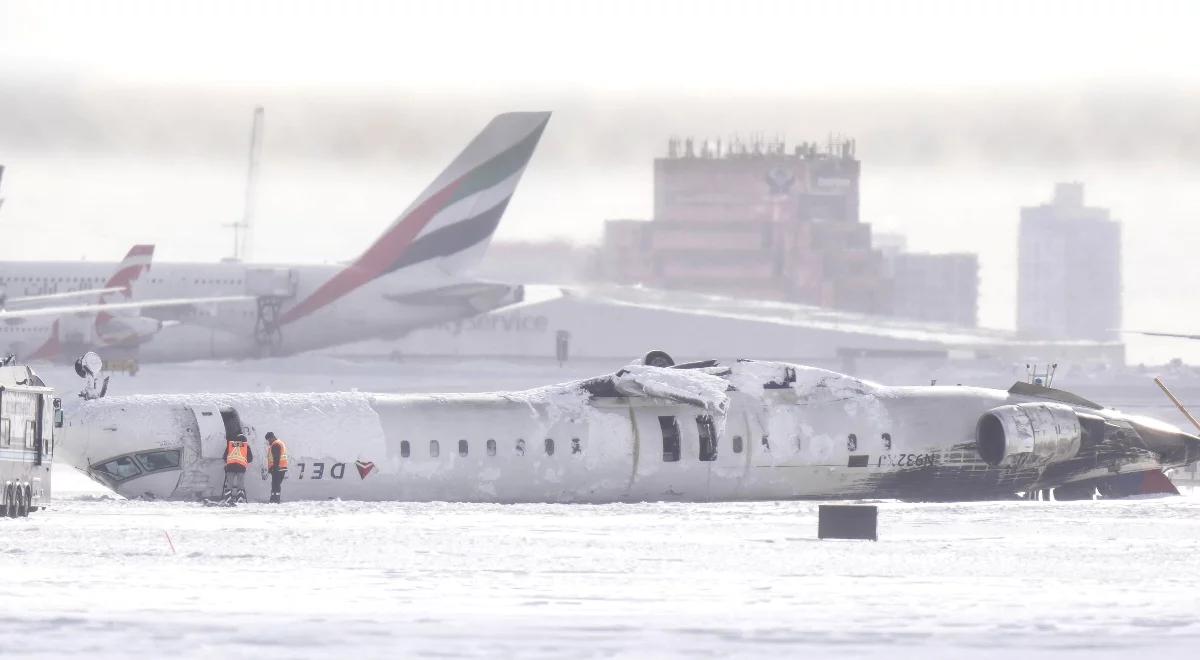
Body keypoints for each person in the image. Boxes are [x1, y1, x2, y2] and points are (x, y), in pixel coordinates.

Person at [222, 433, 253, 503]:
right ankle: (240, 498)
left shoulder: (230, 445)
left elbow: (224, 457)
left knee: (229, 483)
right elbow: (250, 458)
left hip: (230, 466)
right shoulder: (246, 446)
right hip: (241, 467)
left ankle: (228, 499)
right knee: (240, 483)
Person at [265, 432, 289, 504]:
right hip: (281, 467)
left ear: (272, 438)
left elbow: (276, 457)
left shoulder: (275, 444)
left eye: (269, 440)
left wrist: (274, 467)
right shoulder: (280, 443)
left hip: (278, 468)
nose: (268, 441)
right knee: (276, 484)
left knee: (275, 485)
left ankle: (275, 500)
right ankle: (275, 499)